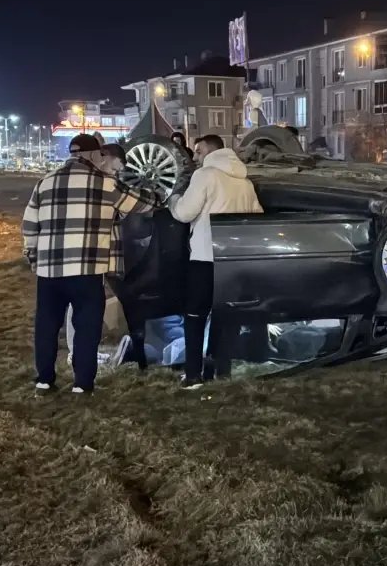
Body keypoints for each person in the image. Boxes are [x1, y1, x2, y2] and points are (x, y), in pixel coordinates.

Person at [22, 134, 156, 395]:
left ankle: (44, 380)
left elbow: (29, 225)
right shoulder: (104, 183)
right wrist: (155, 191)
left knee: (47, 326)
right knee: (86, 327)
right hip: (87, 270)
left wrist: (35, 258)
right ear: (95, 155)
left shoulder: (44, 182)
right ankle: (82, 384)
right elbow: (142, 203)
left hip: (50, 271)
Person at [167, 134, 263, 389]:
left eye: (198, 152)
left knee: (195, 315)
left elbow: (185, 213)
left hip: (204, 257)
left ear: (209, 150)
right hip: (233, 260)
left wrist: (173, 200)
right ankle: (222, 370)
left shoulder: (206, 175)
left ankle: (193, 374)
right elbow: (257, 218)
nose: (195, 158)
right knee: (226, 317)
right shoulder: (245, 182)